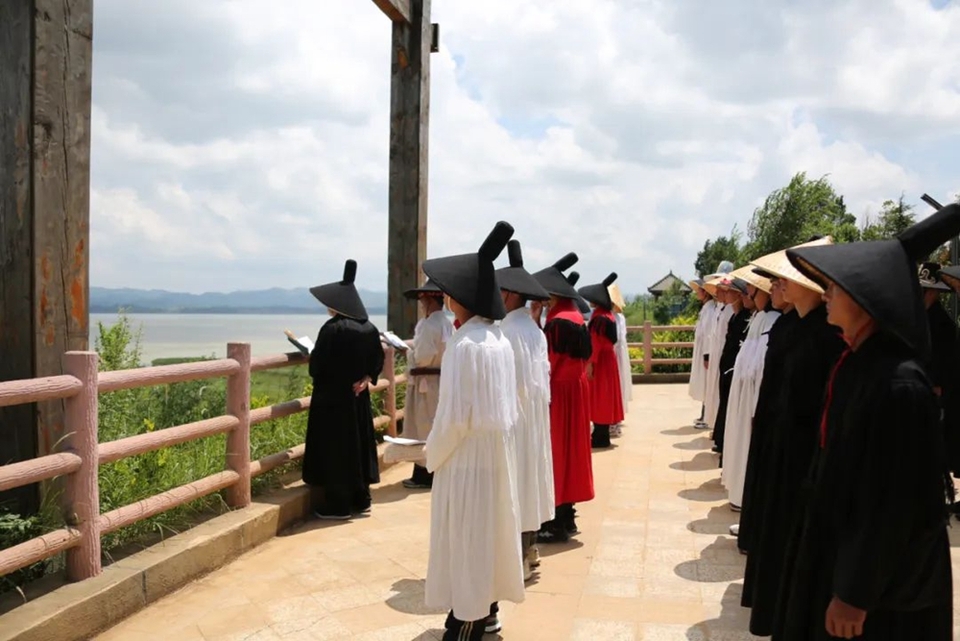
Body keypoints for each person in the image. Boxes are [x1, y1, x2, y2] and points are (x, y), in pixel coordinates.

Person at [773, 204, 960, 640]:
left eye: (833, 290)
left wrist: (855, 593)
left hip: (882, 590)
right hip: (841, 555)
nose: (825, 297)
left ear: (866, 299)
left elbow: (894, 505)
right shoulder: (858, 363)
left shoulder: (899, 385)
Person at [422, 222, 524, 640]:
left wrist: (431, 453)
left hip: (464, 457)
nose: (445, 298)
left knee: (466, 537)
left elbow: (453, 417)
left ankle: (466, 620)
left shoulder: (464, 347)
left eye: (448, 292)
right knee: (488, 534)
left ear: (460, 297)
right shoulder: (499, 340)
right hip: (493, 454)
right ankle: (481, 610)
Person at [741, 237, 846, 636]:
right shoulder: (789, 326)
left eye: (785, 280)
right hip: (780, 440)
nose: (778, 286)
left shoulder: (826, 334)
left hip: (805, 448)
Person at [302, 259, 385, 519]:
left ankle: (338, 504)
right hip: (358, 397)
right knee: (358, 445)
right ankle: (361, 499)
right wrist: (367, 377)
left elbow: (317, 367)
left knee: (336, 448)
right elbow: (377, 361)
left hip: (332, 400)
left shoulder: (331, 330)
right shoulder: (370, 329)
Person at [496, 239, 555, 581]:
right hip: (533, 419)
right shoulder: (533, 330)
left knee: (515, 487)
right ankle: (531, 550)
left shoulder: (507, 333)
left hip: (515, 423)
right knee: (530, 483)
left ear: (508, 295)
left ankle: (516, 557)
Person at [532, 254, 594, 543]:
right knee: (573, 453)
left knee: (556, 453)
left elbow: (549, 362)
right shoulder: (578, 318)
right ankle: (567, 516)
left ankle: (556, 520)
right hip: (578, 390)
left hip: (559, 391)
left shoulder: (556, 323)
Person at [720, 268, 781, 513]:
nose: (749, 295)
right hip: (744, 393)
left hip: (754, 397)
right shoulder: (759, 318)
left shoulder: (772, 322)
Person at [401, 278, 454, 490]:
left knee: (422, 425)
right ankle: (434, 468)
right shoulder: (446, 323)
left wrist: (409, 353)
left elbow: (423, 356)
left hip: (426, 380)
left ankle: (424, 472)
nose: (421, 302)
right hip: (440, 380)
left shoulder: (428, 324)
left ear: (430, 300)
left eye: (423, 298)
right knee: (434, 423)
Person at [918, 263, 960, 486]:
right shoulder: (919, 319)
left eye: (924, 290)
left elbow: (947, 364)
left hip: (935, 391)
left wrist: (938, 388)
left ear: (934, 292)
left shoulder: (942, 324)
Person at [578, 273, 625, 449]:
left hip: (600, 361)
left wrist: (590, 363)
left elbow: (595, 343)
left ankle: (600, 436)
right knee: (605, 396)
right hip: (608, 359)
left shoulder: (598, 318)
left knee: (599, 397)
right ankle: (601, 434)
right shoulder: (608, 316)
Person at [711, 277, 751, 459]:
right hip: (726, 366)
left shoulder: (745, 318)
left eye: (728, 291)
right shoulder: (734, 315)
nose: (725, 295)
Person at [688, 278, 718, 427]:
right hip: (702, 351)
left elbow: (708, 334)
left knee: (707, 383)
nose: (696, 293)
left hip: (706, 352)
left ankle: (707, 416)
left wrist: (707, 354)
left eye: (699, 290)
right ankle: (703, 414)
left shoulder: (711, 309)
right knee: (704, 383)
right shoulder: (706, 308)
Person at [608, 283, 632, 437]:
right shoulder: (619, 317)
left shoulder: (613, 318)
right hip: (619, 353)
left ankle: (614, 420)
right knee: (619, 386)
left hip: (615, 354)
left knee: (616, 387)